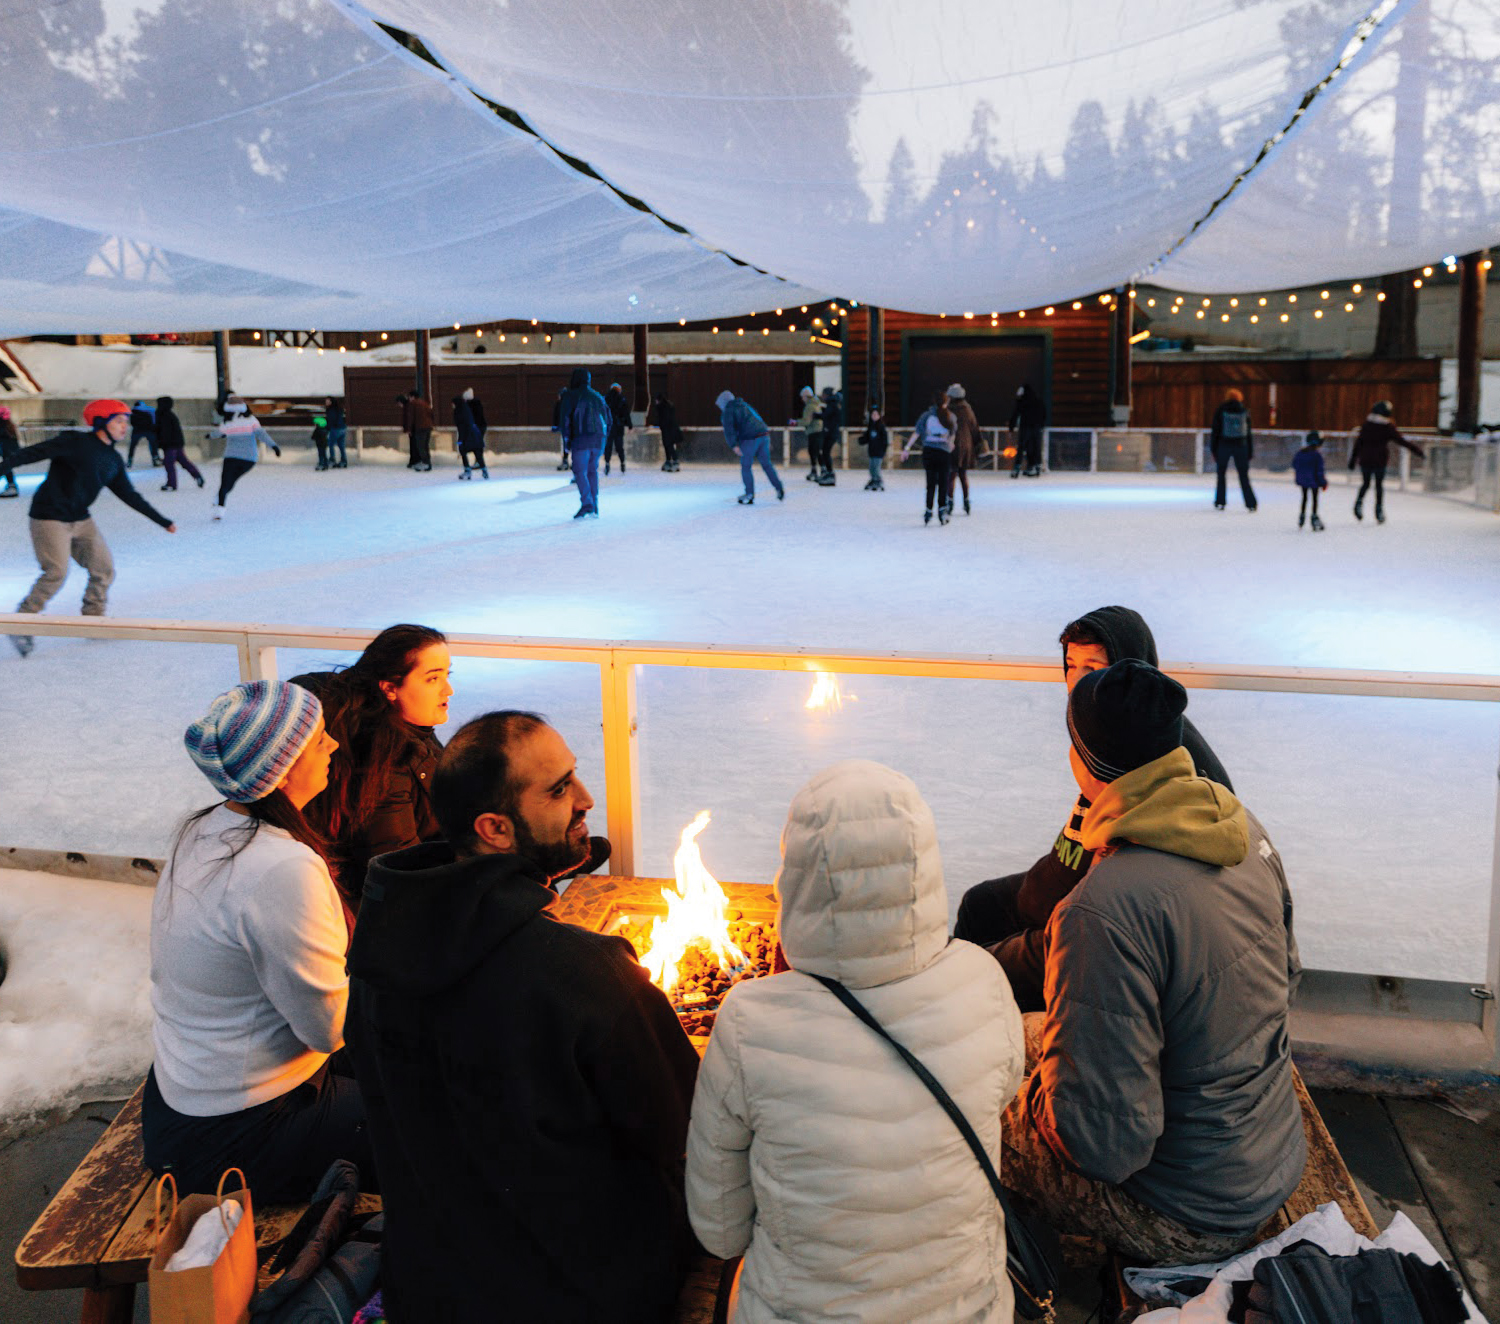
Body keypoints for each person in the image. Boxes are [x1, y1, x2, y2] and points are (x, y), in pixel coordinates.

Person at [345, 711, 700, 1322]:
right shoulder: (583, 972)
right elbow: (687, 1130)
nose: (586, 799)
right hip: (582, 1294)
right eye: (560, 790)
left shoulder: (378, 955)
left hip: (433, 1291)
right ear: (496, 829)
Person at [687, 760, 1025, 1323]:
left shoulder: (750, 1021)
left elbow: (718, 1229)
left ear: (797, 876)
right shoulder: (982, 980)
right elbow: (1003, 1091)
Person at [1003, 659, 1305, 1263]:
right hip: (1268, 1151)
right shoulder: (1239, 825)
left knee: (969, 1109)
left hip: (1185, 1210)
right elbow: (1287, 975)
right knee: (1028, 1037)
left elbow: (1102, 1146)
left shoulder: (1102, 909)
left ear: (1083, 761)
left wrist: (1029, 1096)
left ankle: (1023, 1274)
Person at [145, 679, 373, 1201]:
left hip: (182, 1104)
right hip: (238, 1133)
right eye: (319, 739)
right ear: (282, 767)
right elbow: (329, 1030)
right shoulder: (280, 867)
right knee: (437, 1121)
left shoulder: (203, 832)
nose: (334, 747)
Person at [955, 605, 1231, 1011]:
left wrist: (1064, 914)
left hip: (1093, 916)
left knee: (975, 969)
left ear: (1128, 672)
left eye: (1094, 667)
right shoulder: (1101, 728)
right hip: (1061, 882)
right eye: (1071, 665)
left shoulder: (1157, 751)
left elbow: (1129, 886)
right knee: (980, 904)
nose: (1078, 681)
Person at [293, 625, 452, 914]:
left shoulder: (410, 725)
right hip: (391, 919)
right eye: (432, 679)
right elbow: (401, 870)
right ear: (390, 688)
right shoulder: (387, 762)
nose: (448, 690)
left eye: (447, 675)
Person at [5, 398, 176, 657]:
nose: (124, 427)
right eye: (119, 421)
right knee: (56, 573)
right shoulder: (74, 442)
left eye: (126, 422)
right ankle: (21, 622)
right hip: (49, 517)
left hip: (81, 520)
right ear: (101, 422)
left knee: (103, 568)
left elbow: (129, 495)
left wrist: (163, 521)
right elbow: (29, 454)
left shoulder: (112, 459)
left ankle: (93, 620)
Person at [1349, 399, 1424, 524]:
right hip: (1379, 460)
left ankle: (1359, 503)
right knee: (1378, 485)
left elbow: (1359, 443)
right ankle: (1378, 510)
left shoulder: (1368, 425)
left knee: (1366, 483)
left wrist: (1353, 459)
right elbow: (1401, 441)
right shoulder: (1387, 427)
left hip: (1366, 459)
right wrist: (1417, 451)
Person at [210, 396, 280, 520]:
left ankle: (219, 508)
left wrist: (210, 435)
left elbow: (218, 433)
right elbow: (261, 434)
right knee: (230, 481)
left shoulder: (228, 421)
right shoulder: (251, 420)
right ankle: (220, 501)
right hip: (249, 459)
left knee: (226, 482)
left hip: (232, 457)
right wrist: (273, 446)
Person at [717, 388, 784, 506]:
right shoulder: (745, 405)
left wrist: (734, 445)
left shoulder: (728, 410)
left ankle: (749, 494)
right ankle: (779, 488)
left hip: (750, 439)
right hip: (763, 435)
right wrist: (766, 438)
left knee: (746, 466)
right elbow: (758, 418)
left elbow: (729, 429)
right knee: (767, 465)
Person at [559, 367, 609, 519]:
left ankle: (587, 503)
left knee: (580, 471)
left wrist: (567, 441)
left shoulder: (570, 396)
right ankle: (594, 505)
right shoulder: (597, 396)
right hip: (598, 439)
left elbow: (565, 420)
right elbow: (608, 418)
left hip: (581, 439)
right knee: (592, 471)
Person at [902, 389, 955, 524]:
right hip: (944, 453)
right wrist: (950, 443)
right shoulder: (950, 416)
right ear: (946, 402)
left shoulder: (926, 416)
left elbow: (917, 433)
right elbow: (952, 435)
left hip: (929, 452)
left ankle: (928, 510)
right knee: (943, 482)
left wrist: (907, 448)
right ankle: (942, 511)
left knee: (930, 483)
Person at [1210, 387, 1257, 511]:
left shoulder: (1221, 410)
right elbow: (1248, 434)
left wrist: (1214, 450)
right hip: (1241, 446)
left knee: (1221, 475)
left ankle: (1220, 501)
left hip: (1224, 445)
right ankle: (1250, 503)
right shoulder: (1244, 410)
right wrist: (1250, 451)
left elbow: (1215, 431)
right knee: (1243, 476)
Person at [155, 395, 204, 493]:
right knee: (184, 462)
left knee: (169, 463)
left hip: (170, 444)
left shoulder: (164, 415)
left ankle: (171, 484)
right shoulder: (169, 414)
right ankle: (197, 476)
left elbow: (164, 431)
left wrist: (161, 443)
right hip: (176, 443)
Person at [945, 383, 979, 513]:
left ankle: (950, 502)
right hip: (966, 445)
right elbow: (974, 427)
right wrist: (977, 444)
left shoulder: (948, 410)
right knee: (963, 475)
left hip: (951, 445)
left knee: (951, 475)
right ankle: (966, 501)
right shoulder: (967, 409)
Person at [1009, 382, 1046, 477]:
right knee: (1035, 447)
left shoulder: (1022, 401)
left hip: (1025, 427)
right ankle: (1036, 467)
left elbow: (1016, 413)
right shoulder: (1038, 400)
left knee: (1021, 448)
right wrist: (1041, 425)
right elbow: (1043, 413)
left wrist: (1011, 426)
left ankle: (1017, 468)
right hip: (1036, 428)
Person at [1293, 430, 1328, 530]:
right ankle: (1314, 516)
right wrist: (1323, 482)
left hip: (1303, 481)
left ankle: (1302, 515)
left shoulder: (1301, 453)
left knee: (1304, 498)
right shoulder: (1317, 455)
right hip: (1314, 482)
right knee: (1314, 499)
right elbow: (1319, 471)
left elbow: (1295, 464)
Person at [452, 387, 488, 480]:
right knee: (477, 452)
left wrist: (460, 441)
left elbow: (462, 427)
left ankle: (467, 471)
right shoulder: (466, 409)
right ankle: (484, 471)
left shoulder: (460, 411)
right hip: (475, 434)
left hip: (467, 436)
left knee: (463, 451)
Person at [399, 391, 433, 472]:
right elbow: (431, 414)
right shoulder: (424, 403)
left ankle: (425, 463)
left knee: (420, 446)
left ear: (412, 397)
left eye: (409, 396)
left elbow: (411, 418)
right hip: (428, 427)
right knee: (425, 446)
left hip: (420, 427)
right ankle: (427, 463)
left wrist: (409, 429)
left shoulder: (412, 404)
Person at [797, 385, 824, 483]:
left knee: (814, 451)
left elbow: (806, 421)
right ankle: (819, 470)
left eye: (803, 397)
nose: (802, 399)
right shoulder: (816, 404)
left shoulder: (809, 406)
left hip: (814, 431)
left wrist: (796, 422)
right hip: (817, 430)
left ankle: (819, 471)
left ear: (806, 396)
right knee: (815, 451)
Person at [816, 386, 843, 485]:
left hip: (830, 432)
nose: (822, 396)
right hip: (830, 432)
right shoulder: (832, 404)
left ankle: (830, 473)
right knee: (824, 452)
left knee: (826, 452)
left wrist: (816, 415)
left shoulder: (832, 405)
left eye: (823, 394)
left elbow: (827, 416)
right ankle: (828, 472)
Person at [858, 404, 888, 491]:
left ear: (879, 416)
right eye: (873, 415)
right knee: (871, 468)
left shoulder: (881, 427)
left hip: (879, 452)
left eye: (876, 415)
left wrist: (883, 450)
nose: (874, 416)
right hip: (872, 451)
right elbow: (867, 437)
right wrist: (861, 440)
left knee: (876, 467)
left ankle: (878, 480)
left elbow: (884, 440)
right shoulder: (870, 427)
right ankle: (873, 479)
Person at [603, 382, 631, 475]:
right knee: (619, 446)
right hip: (619, 426)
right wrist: (629, 423)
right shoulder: (621, 399)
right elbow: (626, 413)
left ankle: (607, 464)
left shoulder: (606, 398)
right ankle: (622, 463)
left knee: (608, 446)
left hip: (609, 426)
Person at [652, 391, 682, 472]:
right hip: (671, 429)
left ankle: (674, 461)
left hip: (667, 430)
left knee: (669, 446)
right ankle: (669, 461)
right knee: (668, 446)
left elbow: (663, 419)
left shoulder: (662, 408)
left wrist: (657, 423)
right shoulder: (668, 406)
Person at [128, 400, 160, 469]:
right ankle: (155, 460)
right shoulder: (149, 411)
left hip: (137, 431)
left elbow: (132, 422)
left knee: (132, 446)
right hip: (148, 431)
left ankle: (129, 461)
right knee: (153, 445)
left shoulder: (133, 412)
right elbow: (152, 421)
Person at [0, 405, 19, 498]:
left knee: (5, 467)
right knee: (6, 467)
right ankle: (12, 485)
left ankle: (12, 486)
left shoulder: (3, 426)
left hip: (7, 451)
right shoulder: (9, 426)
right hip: (8, 451)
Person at [325, 397, 348, 469]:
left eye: (328, 401)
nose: (326, 403)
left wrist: (327, 428)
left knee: (331, 444)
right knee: (341, 445)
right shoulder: (338, 409)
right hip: (343, 428)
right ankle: (344, 461)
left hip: (336, 428)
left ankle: (332, 459)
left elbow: (332, 420)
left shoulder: (331, 410)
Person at [551, 387, 570, 471]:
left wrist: (555, 426)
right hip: (572, 428)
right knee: (572, 445)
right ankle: (574, 462)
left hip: (564, 428)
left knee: (564, 445)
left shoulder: (560, 404)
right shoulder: (571, 403)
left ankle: (565, 461)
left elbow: (556, 415)